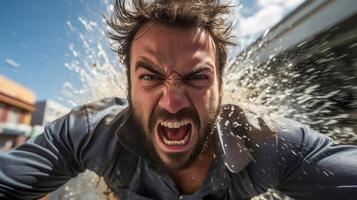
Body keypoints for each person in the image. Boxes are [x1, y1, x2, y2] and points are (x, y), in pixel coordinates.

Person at [1, 0, 357, 199]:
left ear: (221, 83)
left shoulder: (268, 145)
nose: (172, 103)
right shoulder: (90, 134)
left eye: (197, 77)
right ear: (128, 86)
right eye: (151, 77)